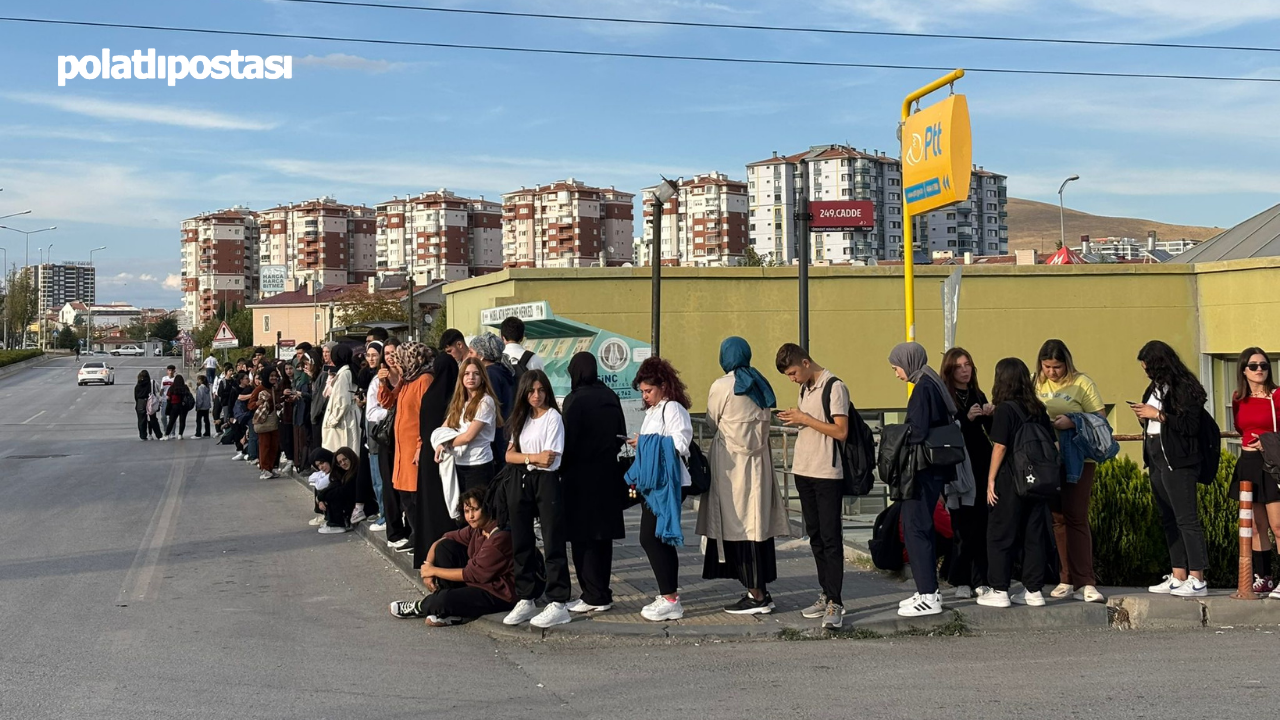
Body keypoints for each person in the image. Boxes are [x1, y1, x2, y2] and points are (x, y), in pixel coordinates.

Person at [700, 338, 790, 615]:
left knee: (734, 524)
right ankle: (760, 587)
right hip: (758, 465)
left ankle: (756, 594)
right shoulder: (761, 383)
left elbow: (711, 421)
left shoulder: (722, 386)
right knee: (756, 526)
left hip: (730, 464)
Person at [775, 343, 850, 629]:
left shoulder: (835, 386)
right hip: (803, 470)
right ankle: (826, 593)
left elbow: (841, 431)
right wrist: (796, 420)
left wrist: (804, 418)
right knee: (816, 536)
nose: (792, 378)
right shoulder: (805, 388)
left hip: (826, 472)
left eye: (793, 372)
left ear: (806, 362)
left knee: (831, 538)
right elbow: (813, 426)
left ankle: (836, 602)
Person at [1132, 340, 1210, 598]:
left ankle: (1197, 577)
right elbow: (1153, 418)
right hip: (1155, 453)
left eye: (1149, 368)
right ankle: (1178, 574)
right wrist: (1144, 416)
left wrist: (1158, 415)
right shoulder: (1154, 388)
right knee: (1168, 518)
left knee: (1186, 518)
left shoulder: (1184, 388)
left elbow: (1189, 426)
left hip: (1178, 459)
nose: (1147, 374)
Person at [976, 358, 1056, 608]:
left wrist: (990, 480)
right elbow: (1052, 445)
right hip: (1038, 481)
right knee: (1034, 535)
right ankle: (1034, 590)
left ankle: (999, 589)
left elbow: (1000, 446)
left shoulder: (1005, 409)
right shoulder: (1038, 409)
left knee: (1000, 534)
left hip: (1010, 480)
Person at [1033, 339, 1107, 603]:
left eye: (1057, 367)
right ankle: (1066, 578)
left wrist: (1073, 421)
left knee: (1076, 515)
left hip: (1078, 458)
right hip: (1047, 459)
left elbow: (1100, 418)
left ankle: (1086, 580)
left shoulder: (1082, 383)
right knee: (1058, 518)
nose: (1052, 372)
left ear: (1067, 363)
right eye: (1047, 367)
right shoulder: (1035, 382)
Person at [889, 342, 958, 618]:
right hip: (934, 470)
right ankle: (927, 590)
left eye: (896, 367)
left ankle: (928, 595)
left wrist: (894, 433)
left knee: (915, 527)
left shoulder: (923, 388)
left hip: (921, 470)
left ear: (907, 362)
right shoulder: (933, 383)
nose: (896, 373)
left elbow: (916, 431)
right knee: (921, 526)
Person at [624, 357, 694, 623]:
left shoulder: (673, 408)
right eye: (642, 392)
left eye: (649, 391)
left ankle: (670, 598)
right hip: (654, 483)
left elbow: (680, 443)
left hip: (668, 482)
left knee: (653, 538)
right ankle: (668, 595)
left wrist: (645, 443)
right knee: (653, 537)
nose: (646, 396)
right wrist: (642, 445)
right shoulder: (654, 410)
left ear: (663, 385)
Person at [501, 369, 572, 629]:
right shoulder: (521, 418)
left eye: (541, 390)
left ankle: (558, 601)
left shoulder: (553, 417)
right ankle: (526, 596)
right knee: (521, 540)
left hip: (547, 481)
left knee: (553, 540)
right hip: (521, 479)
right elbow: (510, 455)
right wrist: (531, 458)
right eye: (531, 390)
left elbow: (550, 458)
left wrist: (529, 457)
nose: (536, 395)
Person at [389, 486, 516, 626]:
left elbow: (472, 574)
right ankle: (449, 609)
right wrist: (427, 567)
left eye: (475, 509)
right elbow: (442, 540)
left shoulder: (500, 537)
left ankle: (422, 606)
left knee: (443, 600)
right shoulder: (478, 529)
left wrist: (433, 571)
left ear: (487, 507)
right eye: (467, 511)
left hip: (499, 593)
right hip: (478, 583)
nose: (470, 516)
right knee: (445, 548)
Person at [560, 351, 628, 614]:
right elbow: (620, 434)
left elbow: (568, 442)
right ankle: (603, 591)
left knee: (582, 538)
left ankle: (592, 595)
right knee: (603, 538)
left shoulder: (575, 401)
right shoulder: (610, 396)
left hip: (580, 477)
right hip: (609, 474)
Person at [940, 347, 994, 600]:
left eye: (968, 365)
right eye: (959, 366)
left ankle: (981, 578)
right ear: (950, 370)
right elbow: (944, 429)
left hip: (981, 463)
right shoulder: (945, 395)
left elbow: (992, 432)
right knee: (962, 526)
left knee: (981, 523)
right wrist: (966, 417)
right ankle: (961, 579)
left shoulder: (976, 393)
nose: (965, 370)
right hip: (958, 466)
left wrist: (989, 414)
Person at [1230, 347, 1280, 598]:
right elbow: (1240, 428)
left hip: (1272, 462)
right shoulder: (1238, 398)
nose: (1259, 369)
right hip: (1248, 462)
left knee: (1278, 524)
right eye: (1253, 366)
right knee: (1257, 526)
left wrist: (1268, 441)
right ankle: (1265, 577)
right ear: (1243, 370)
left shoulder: (1277, 396)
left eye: (1264, 365)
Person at [385, 342, 434, 555]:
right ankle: (415, 536)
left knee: (416, 497)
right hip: (401, 449)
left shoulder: (424, 380)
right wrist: (382, 382)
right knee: (405, 496)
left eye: (400, 358)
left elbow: (427, 417)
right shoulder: (407, 380)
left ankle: (423, 539)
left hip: (414, 448)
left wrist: (420, 446)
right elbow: (387, 402)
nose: (397, 363)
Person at [416, 353, 462, 569]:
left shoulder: (429, 394)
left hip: (427, 454)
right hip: (444, 455)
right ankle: (445, 554)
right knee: (445, 504)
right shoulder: (453, 397)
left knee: (429, 504)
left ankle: (427, 551)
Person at [437, 357, 502, 492]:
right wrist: (439, 443)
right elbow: (443, 429)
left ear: (483, 377)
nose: (471, 377)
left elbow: (468, 437)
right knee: (462, 509)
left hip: (479, 464)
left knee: (478, 509)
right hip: (459, 463)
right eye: (466, 373)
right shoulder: (460, 402)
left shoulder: (486, 401)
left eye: (476, 373)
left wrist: (446, 443)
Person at [469, 332, 515, 468]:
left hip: (496, 439)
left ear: (481, 355)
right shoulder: (502, 371)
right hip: (504, 434)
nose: (469, 357)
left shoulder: (490, 375)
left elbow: (490, 407)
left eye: (471, 352)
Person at [364, 341, 390, 531]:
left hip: (382, 432)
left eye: (375, 354)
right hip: (374, 433)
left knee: (381, 478)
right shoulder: (375, 379)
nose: (371, 358)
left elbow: (376, 411)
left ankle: (385, 515)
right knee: (376, 477)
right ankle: (383, 512)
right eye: (368, 355)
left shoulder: (383, 379)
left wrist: (388, 413)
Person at [322, 344, 362, 453]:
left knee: (343, 451)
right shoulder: (348, 370)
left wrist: (332, 420)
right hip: (348, 416)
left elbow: (342, 401)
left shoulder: (344, 374)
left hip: (344, 419)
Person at [309, 447, 358, 534]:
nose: (321, 467)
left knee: (332, 494)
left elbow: (342, 490)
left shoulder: (349, 471)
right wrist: (320, 498)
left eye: (322, 463)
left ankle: (336, 524)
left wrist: (321, 498)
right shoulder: (336, 471)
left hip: (355, 506)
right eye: (318, 466)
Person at [249, 371, 281, 479]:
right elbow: (250, 405)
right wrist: (259, 402)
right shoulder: (259, 389)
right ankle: (264, 469)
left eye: (275, 376)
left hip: (273, 421)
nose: (273, 378)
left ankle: (270, 468)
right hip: (263, 421)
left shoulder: (274, 388)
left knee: (274, 446)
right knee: (265, 446)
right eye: (271, 376)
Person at [134, 370, 163, 440]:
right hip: (150, 402)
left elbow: (136, 396)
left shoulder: (138, 385)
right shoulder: (151, 383)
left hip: (140, 402)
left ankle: (143, 435)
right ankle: (158, 435)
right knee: (153, 419)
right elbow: (159, 391)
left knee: (141, 420)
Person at [164, 374, 194, 440]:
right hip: (183, 406)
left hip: (174, 406)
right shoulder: (185, 387)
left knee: (171, 421)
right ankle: (180, 434)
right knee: (182, 421)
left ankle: (166, 435)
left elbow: (168, 397)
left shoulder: (172, 387)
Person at [194, 374, 212, 439]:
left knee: (198, 420)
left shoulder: (200, 388)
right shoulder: (207, 388)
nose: (197, 381)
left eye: (198, 380)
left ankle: (198, 433)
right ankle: (207, 432)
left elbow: (200, 398)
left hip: (201, 407)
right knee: (206, 420)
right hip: (206, 407)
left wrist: (198, 406)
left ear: (200, 380)